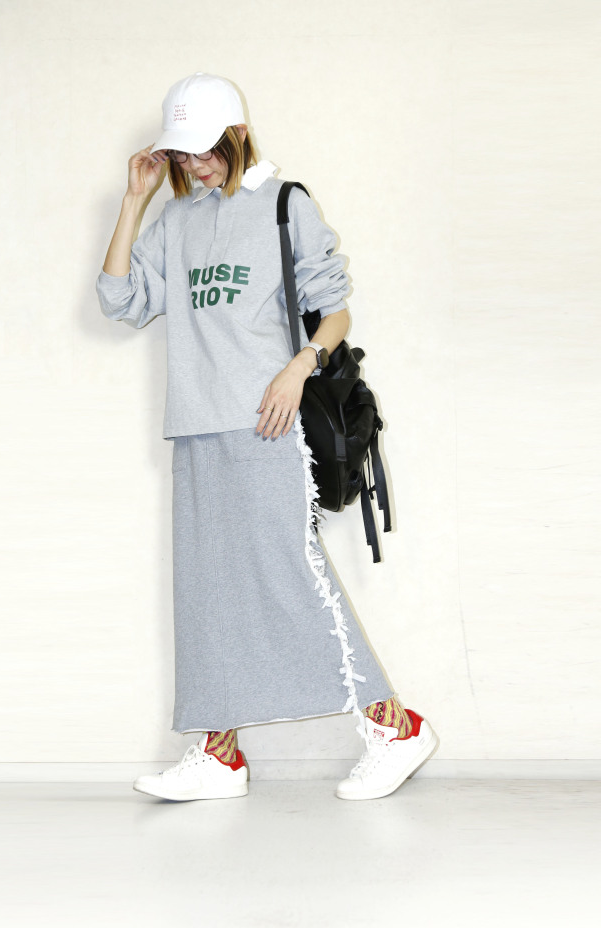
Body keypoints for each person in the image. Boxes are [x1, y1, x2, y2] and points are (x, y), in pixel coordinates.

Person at [95, 71, 439, 802]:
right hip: (194, 424)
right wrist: (133, 201)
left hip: (266, 422)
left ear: (238, 135)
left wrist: (299, 367)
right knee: (206, 593)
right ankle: (218, 755)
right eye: (182, 153)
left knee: (291, 575)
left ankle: (395, 728)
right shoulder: (176, 219)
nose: (194, 164)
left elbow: (335, 310)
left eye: (204, 149)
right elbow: (120, 300)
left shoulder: (285, 204)